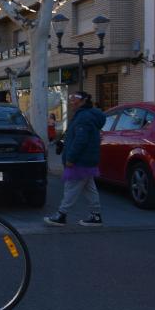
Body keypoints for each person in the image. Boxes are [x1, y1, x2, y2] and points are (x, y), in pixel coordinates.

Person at [44, 91, 106, 227]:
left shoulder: (83, 117)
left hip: (80, 161)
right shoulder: (85, 116)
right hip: (87, 159)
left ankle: (61, 215)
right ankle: (96, 216)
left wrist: (71, 158)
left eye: (75, 99)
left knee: (71, 187)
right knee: (89, 189)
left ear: (83, 101)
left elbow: (80, 140)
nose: (72, 101)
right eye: (71, 99)